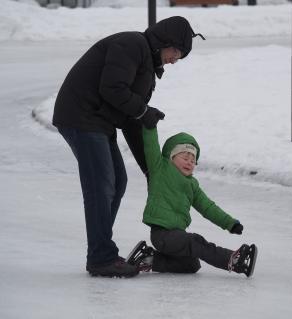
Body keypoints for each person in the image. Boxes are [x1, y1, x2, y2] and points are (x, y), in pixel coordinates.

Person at [52, 16, 205, 278]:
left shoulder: (147, 67)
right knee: (102, 184)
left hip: (99, 121)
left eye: (180, 56)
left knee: (117, 181)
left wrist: (151, 170)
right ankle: (101, 256)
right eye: (176, 52)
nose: (175, 59)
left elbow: (132, 121)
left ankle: (101, 251)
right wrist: (143, 110)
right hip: (81, 115)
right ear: (164, 42)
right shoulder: (132, 44)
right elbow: (112, 88)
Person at [126, 123, 258, 277]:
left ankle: (149, 259)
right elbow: (151, 147)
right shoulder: (160, 170)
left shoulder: (192, 185)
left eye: (193, 159)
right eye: (185, 157)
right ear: (171, 157)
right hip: (162, 235)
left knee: (191, 264)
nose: (189, 162)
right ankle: (233, 260)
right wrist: (150, 125)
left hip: (176, 235)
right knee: (195, 242)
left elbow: (208, 207)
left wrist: (230, 223)